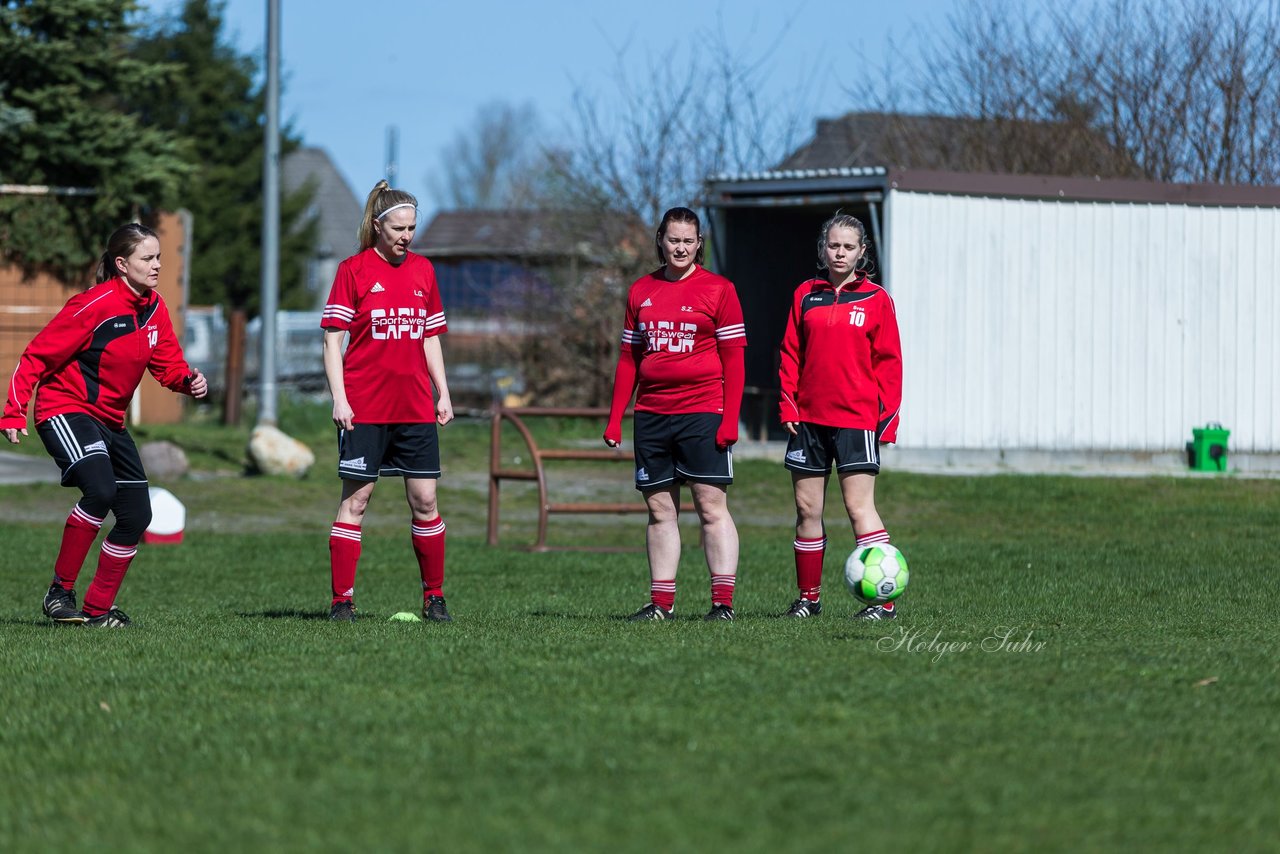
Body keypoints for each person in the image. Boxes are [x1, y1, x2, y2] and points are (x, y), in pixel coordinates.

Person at [2, 223, 209, 627]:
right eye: (147, 259)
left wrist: (188, 381)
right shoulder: (93, 305)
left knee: (135, 515)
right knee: (99, 489)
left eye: (159, 257)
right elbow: (35, 357)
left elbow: (167, 365)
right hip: (65, 409)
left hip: (110, 423)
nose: (157, 266)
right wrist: (13, 410)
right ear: (121, 264)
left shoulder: (155, 308)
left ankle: (97, 611)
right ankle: (60, 592)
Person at [604, 206, 747, 621]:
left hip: (703, 412)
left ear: (699, 243)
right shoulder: (640, 291)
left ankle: (723, 605)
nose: (680, 247)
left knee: (710, 507)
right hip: (651, 414)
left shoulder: (719, 290)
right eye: (673, 240)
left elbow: (735, 360)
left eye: (688, 240)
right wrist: (616, 417)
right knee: (660, 511)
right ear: (661, 241)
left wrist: (730, 418)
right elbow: (629, 359)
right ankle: (661, 605)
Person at [321, 180, 454, 622]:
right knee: (355, 503)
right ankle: (343, 601)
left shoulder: (424, 272)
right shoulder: (353, 270)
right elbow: (332, 343)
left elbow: (431, 338)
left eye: (412, 228)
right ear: (378, 226)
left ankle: (434, 598)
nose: (406, 236)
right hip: (366, 411)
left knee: (426, 502)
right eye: (398, 228)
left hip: (415, 409)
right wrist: (340, 400)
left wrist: (443, 392)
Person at [778, 212, 903, 620]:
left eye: (849, 247)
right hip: (808, 420)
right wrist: (788, 404)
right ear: (822, 248)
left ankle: (884, 602)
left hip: (856, 420)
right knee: (806, 510)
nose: (840, 253)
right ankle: (808, 600)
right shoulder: (805, 295)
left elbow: (890, 363)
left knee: (858, 507)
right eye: (834, 245)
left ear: (862, 252)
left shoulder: (876, 299)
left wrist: (887, 421)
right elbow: (790, 354)